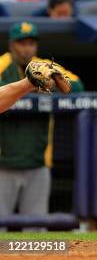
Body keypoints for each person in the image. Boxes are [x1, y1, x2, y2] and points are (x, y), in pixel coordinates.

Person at [0, 21, 83, 222]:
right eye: (22, 43)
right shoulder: (2, 64)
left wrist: (49, 84)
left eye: (31, 43)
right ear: (12, 45)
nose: (27, 48)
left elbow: (77, 86)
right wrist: (31, 85)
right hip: (3, 164)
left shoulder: (44, 65)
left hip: (38, 163)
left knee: (36, 233)